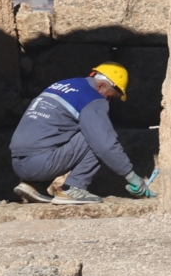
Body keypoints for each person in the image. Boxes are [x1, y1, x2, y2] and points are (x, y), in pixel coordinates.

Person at [10, 63, 155, 204]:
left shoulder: (63, 85)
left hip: (18, 162)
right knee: (96, 136)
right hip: (41, 164)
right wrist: (131, 176)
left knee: (69, 130)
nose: (108, 102)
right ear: (101, 86)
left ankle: (34, 185)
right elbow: (104, 144)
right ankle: (73, 188)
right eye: (110, 97)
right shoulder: (93, 98)